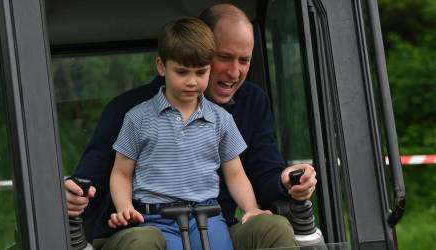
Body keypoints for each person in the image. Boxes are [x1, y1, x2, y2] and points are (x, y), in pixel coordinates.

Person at [65, 3, 317, 250]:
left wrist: (284, 182)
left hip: (211, 223)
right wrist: (75, 195)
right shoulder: (131, 112)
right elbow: (94, 180)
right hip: (142, 226)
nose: (234, 72)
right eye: (225, 57)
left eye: (244, 60)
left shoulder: (247, 104)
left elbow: (252, 173)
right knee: (144, 240)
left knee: (274, 228)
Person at [107, 17, 271, 250]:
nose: (192, 82)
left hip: (208, 215)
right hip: (156, 218)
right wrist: (125, 207)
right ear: (161, 66)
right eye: (182, 72)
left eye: (201, 72)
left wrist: (251, 207)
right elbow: (121, 174)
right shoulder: (137, 118)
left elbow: (235, 174)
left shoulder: (221, 119)